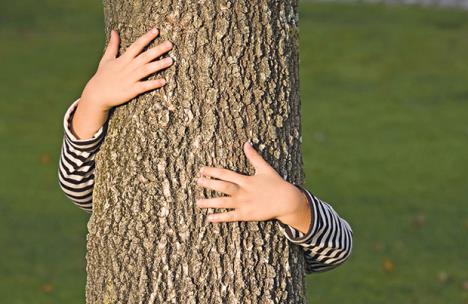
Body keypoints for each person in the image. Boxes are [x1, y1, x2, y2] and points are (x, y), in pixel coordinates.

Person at [58, 27, 353, 274]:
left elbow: (336, 249)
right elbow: (81, 187)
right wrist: (94, 100)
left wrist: (292, 205)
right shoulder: (123, 195)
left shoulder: (262, 204)